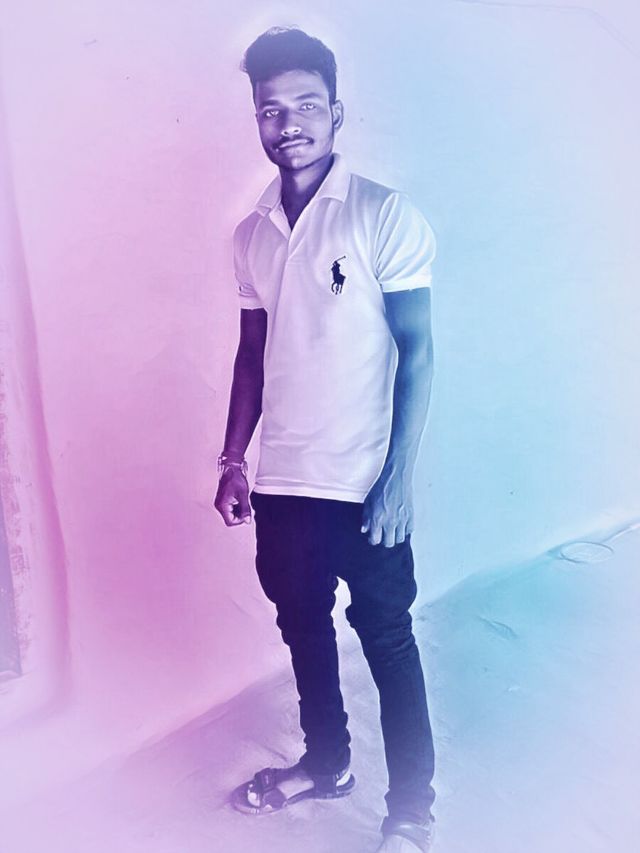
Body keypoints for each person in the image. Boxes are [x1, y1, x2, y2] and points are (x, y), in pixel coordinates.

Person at [214, 26, 437, 853]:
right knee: (304, 627)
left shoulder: (383, 214)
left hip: (364, 481)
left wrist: (398, 479)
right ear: (258, 120)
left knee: (387, 638)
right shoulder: (252, 234)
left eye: (307, 105)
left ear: (337, 113)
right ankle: (327, 762)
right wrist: (234, 460)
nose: (289, 124)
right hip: (283, 482)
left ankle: (411, 813)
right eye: (271, 110)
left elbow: (417, 353)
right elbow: (252, 354)